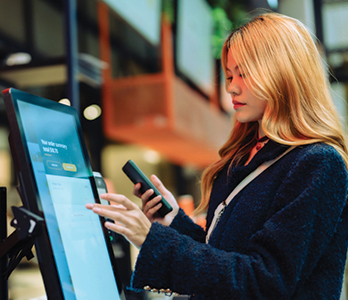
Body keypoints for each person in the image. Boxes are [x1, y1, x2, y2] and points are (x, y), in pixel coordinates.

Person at [86, 12, 348, 299]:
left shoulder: (318, 163)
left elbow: (265, 281)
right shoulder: (242, 158)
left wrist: (153, 240)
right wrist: (174, 222)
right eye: (229, 75)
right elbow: (223, 260)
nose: (231, 87)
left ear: (283, 73)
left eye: (244, 73)